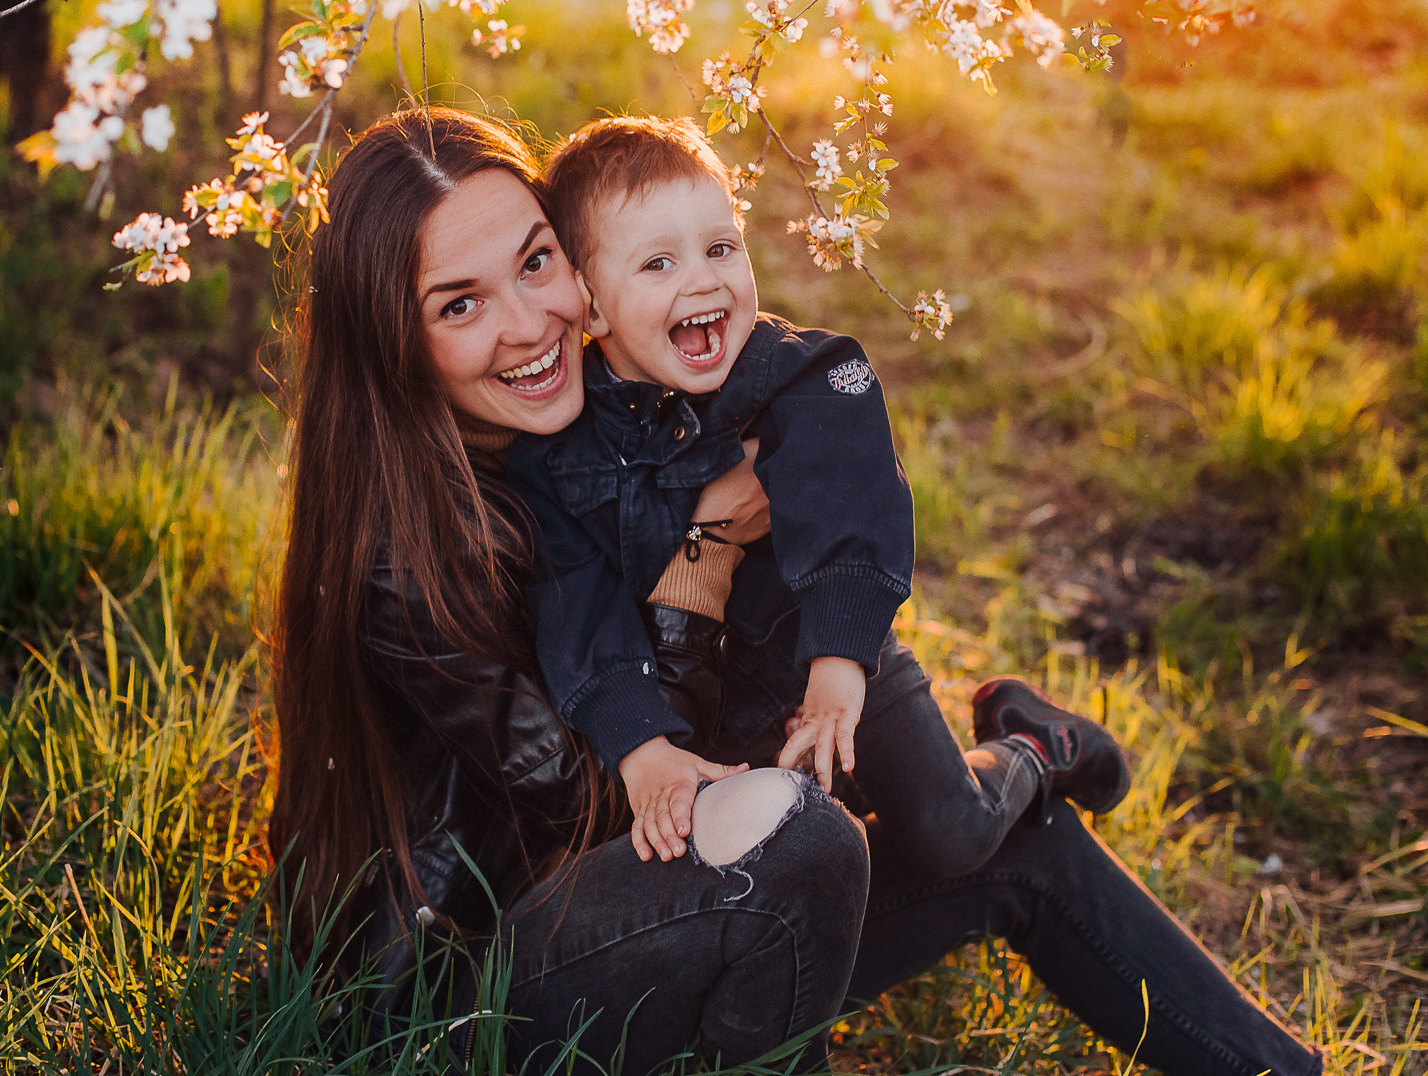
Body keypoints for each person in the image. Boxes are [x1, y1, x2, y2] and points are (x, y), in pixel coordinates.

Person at [269, 105, 1326, 1076]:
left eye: (535, 261)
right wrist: (712, 544)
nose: (530, 322)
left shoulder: (602, 418)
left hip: (661, 897)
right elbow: (607, 803)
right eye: (460, 303)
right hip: (480, 995)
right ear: (392, 343)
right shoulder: (405, 557)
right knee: (802, 834)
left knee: (1007, 842)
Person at [510, 115, 1129, 872]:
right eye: (658, 265)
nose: (703, 280)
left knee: (950, 833)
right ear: (591, 306)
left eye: (720, 248)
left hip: (836, 655)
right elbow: (579, 607)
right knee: (797, 855)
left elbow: (851, 499)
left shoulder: (795, 377)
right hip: (716, 712)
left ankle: (1035, 744)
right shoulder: (563, 453)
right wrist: (643, 748)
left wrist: (839, 660)